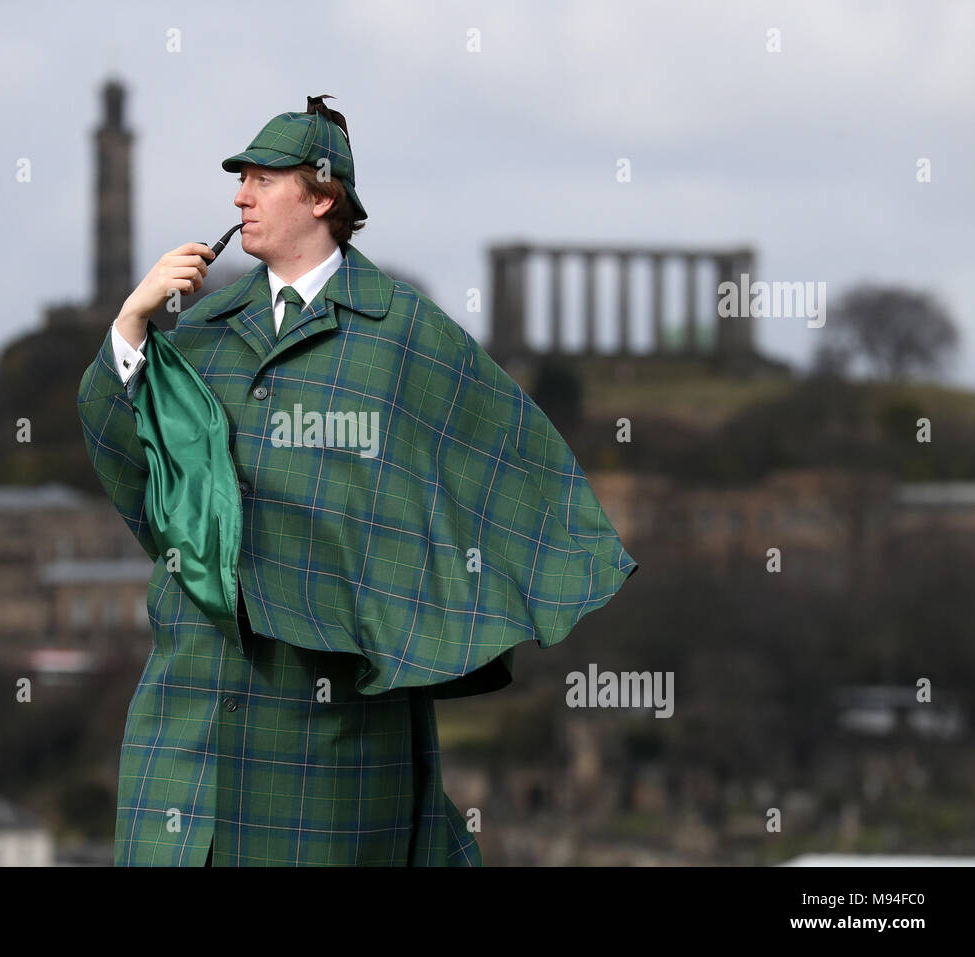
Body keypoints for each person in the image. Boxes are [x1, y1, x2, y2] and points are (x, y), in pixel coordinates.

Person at [77, 95, 637, 866]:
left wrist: (441, 624)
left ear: (321, 195)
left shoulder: (405, 334)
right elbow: (141, 482)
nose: (239, 194)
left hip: (326, 741)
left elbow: (506, 470)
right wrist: (131, 329)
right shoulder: (200, 331)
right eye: (240, 178)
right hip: (186, 725)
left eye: (262, 179)